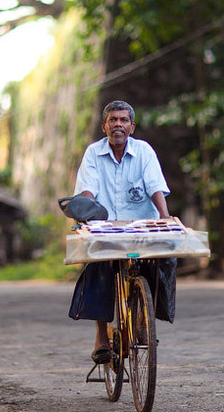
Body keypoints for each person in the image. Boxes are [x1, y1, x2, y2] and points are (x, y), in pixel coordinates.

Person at [68, 100, 177, 364]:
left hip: (141, 226)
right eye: (113, 120)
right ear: (104, 126)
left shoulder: (144, 151)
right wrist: (87, 214)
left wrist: (164, 217)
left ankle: (143, 320)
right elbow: (88, 189)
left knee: (160, 262)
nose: (118, 125)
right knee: (98, 268)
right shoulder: (93, 153)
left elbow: (154, 184)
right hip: (106, 228)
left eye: (124, 120)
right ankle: (101, 337)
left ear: (132, 126)